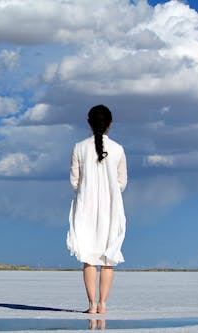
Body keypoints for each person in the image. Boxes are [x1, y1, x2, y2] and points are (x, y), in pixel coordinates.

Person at [66, 104, 127, 315]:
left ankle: (92, 305)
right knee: (108, 258)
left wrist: (88, 191)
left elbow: (75, 182)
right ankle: (102, 304)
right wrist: (108, 192)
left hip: (86, 207)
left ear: (89, 123)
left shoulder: (79, 147)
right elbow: (122, 182)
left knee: (89, 257)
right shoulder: (118, 149)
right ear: (110, 124)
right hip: (111, 207)